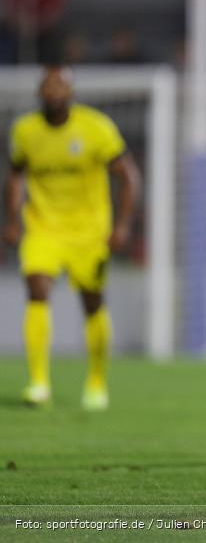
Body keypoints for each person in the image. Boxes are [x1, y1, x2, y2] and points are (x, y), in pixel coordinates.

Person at [2, 67, 141, 410]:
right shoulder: (24, 131)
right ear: (40, 93)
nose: (53, 92)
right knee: (37, 289)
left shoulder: (96, 128)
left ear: (70, 91)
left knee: (91, 301)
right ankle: (38, 383)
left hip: (88, 233)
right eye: (47, 86)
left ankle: (96, 380)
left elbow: (129, 177)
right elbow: (16, 177)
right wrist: (13, 220)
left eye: (59, 86)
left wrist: (122, 226)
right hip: (43, 228)